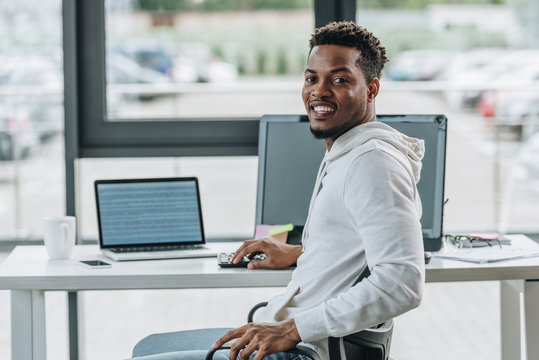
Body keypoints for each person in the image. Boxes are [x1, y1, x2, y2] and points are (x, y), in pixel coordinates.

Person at [131, 21, 425, 360]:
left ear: (371, 90)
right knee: (148, 348)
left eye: (340, 79)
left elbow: (402, 283)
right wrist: (301, 252)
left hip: (306, 347)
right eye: (312, 78)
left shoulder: (372, 163)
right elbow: (354, 253)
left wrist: (291, 328)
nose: (319, 90)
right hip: (288, 331)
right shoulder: (347, 151)